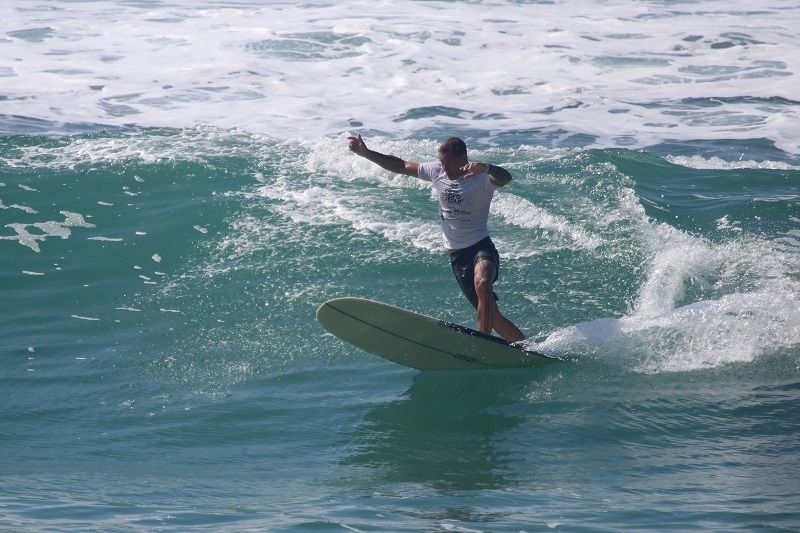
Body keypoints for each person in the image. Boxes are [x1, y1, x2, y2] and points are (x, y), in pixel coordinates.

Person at [347, 133, 526, 342]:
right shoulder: (437, 171)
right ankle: (527, 349)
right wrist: (366, 153)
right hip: (458, 256)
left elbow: (505, 178)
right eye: (442, 162)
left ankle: (482, 343)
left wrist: (486, 167)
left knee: (483, 281)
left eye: (449, 163)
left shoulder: (479, 178)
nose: (445, 168)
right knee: (493, 317)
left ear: (463, 158)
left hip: (480, 247)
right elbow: (401, 165)